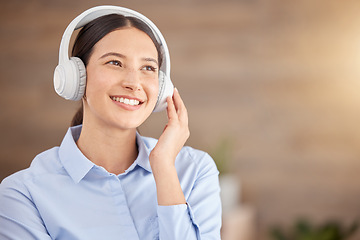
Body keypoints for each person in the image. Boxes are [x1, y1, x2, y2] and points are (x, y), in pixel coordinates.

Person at [0, 6, 222, 240]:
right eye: (115, 63)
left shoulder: (194, 171)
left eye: (148, 68)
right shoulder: (22, 195)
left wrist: (164, 167)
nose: (133, 83)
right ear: (76, 77)